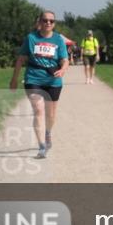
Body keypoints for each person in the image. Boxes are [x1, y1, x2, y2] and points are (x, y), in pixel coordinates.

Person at [9, 11, 69, 159]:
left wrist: (63, 70)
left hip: (53, 80)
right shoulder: (31, 38)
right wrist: (14, 79)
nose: (48, 23)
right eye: (45, 20)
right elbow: (21, 59)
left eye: (51, 21)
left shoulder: (58, 39)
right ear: (40, 22)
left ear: (54, 23)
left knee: (51, 114)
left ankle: (47, 132)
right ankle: (41, 146)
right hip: (33, 78)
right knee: (38, 110)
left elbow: (64, 59)